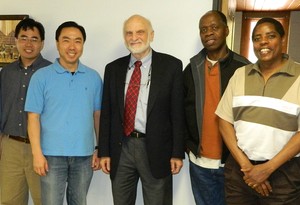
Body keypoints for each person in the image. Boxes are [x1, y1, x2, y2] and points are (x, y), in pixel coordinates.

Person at [99, 14, 185, 205]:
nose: (134, 37)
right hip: (122, 148)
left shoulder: (171, 66)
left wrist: (177, 153)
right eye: (129, 33)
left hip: (156, 148)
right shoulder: (113, 69)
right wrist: (104, 151)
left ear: (151, 35)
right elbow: (107, 114)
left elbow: (178, 114)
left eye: (140, 32)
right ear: (124, 37)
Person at [216, 17, 300, 204]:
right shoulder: (240, 74)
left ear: (283, 39)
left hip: (283, 174)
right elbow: (223, 120)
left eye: (270, 36)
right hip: (240, 171)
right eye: (257, 38)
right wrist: (247, 167)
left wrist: (267, 169)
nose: (263, 42)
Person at [24, 21, 102, 205]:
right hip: (51, 156)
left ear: (83, 44)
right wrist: (37, 154)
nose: (72, 46)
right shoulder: (41, 77)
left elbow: (97, 116)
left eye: (78, 41)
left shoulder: (94, 77)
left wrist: (99, 148)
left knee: (79, 202)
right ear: (57, 43)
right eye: (66, 40)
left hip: (84, 156)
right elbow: (33, 117)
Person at [183, 10, 250, 205]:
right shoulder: (191, 69)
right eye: (203, 30)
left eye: (214, 27)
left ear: (226, 30)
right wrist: (188, 145)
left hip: (233, 162)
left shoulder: (243, 69)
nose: (209, 33)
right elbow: (181, 109)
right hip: (199, 163)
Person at [0, 17, 51, 205]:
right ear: (16, 41)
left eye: (34, 39)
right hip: (10, 146)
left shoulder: (51, 72)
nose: (28, 44)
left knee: (45, 200)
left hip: (42, 147)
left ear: (42, 43)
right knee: (8, 201)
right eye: (23, 38)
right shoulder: (6, 73)